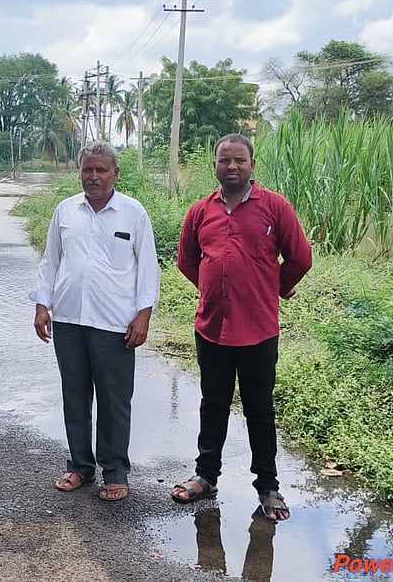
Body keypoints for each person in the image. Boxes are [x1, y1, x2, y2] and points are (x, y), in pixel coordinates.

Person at [170, 133, 312, 522]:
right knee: (212, 404)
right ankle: (206, 477)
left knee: (260, 410)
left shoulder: (275, 207)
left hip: (258, 330)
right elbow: (186, 259)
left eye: (239, 160)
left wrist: (275, 287)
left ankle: (268, 486)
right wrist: (214, 288)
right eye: (224, 160)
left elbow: (300, 257)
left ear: (252, 165)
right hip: (211, 327)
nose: (231, 167)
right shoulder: (201, 211)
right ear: (214, 166)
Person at [31, 142, 160, 502]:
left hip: (115, 322)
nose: (94, 176)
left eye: (102, 170)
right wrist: (43, 305)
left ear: (115, 174)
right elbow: (50, 262)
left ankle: (115, 472)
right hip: (69, 319)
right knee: (74, 395)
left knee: (114, 399)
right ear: (80, 172)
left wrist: (143, 315)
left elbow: (148, 268)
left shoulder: (133, 213)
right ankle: (80, 467)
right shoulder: (65, 211)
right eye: (88, 169)